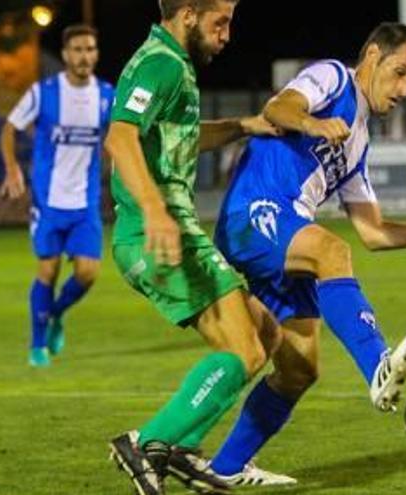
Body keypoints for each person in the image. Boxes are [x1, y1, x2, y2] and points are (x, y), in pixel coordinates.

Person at [205, 23, 406, 486]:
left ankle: (226, 468)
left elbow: (374, 233)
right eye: (400, 74)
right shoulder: (333, 78)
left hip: (288, 235)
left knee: (298, 369)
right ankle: (379, 365)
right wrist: (314, 122)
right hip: (254, 213)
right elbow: (279, 108)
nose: (404, 90)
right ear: (373, 56)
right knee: (330, 248)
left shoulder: (358, 143)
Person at [102, 1, 285, 494]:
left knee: (266, 334)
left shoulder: (172, 64)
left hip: (169, 228)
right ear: (187, 14)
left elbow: (178, 140)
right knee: (245, 349)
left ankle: (179, 447)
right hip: (155, 231)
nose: (227, 34)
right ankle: (146, 444)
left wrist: (242, 127)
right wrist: (156, 210)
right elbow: (120, 140)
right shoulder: (160, 64)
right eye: (219, 22)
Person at [0, 24, 114, 367]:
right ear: (65, 54)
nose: (84, 56)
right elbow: (9, 129)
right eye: (77, 49)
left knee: (88, 273)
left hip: (85, 203)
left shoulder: (108, 95)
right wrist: (12, 168)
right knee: (47, 271)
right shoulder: (44, 92)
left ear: (96, 54)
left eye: (90, 49)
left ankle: (55, 314)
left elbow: (123, 135)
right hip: (48, 202)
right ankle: (37, 345)